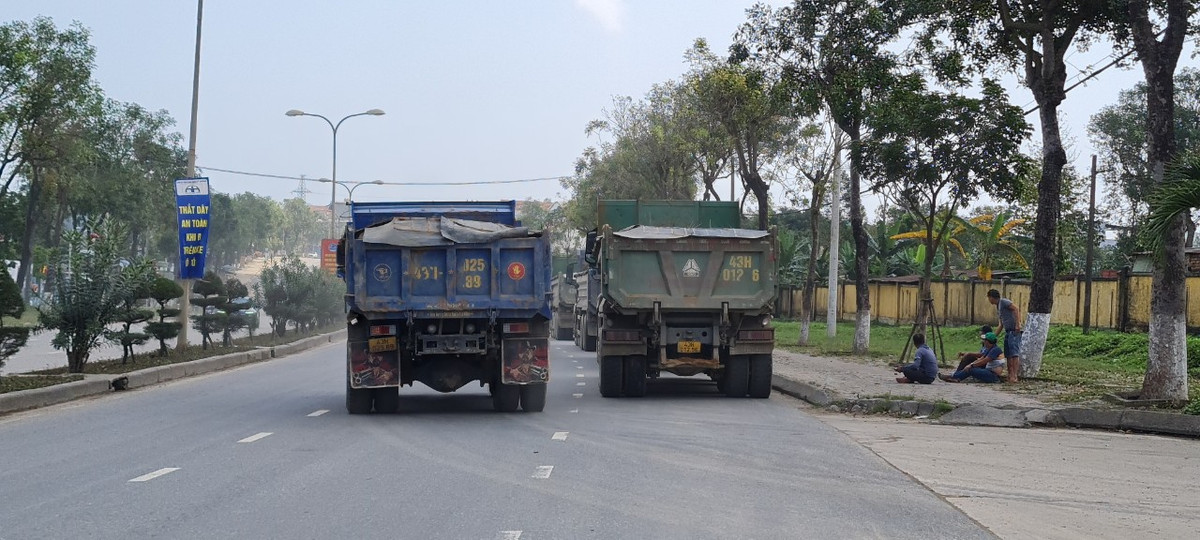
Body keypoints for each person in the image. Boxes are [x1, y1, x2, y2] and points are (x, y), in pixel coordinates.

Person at [939, 332, 1005, 383]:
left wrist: (972, 366)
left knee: (971, 369)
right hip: (988, 371)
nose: (983, 342)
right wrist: (971, 364)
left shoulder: (995, 350)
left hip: (993, 375)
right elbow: (982, 358)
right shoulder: (990, 349)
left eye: (984, 340)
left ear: (987, 341)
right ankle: (954, 375)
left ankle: (955, 377)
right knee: (970, 367)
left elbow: (985, 360)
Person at [987, 289, 1023, 383]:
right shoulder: (998, 307)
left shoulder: (1003, 302)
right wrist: (993, 336)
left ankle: (1014, 376)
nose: (989, 300)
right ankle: (1010, 374)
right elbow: (1001, 324)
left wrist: (1018, 324)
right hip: (1007, 332)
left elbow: (1016, 309)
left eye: (989, 298)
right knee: (1008, 355)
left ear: (991, 297)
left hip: (1014, 331)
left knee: (1014, 354)